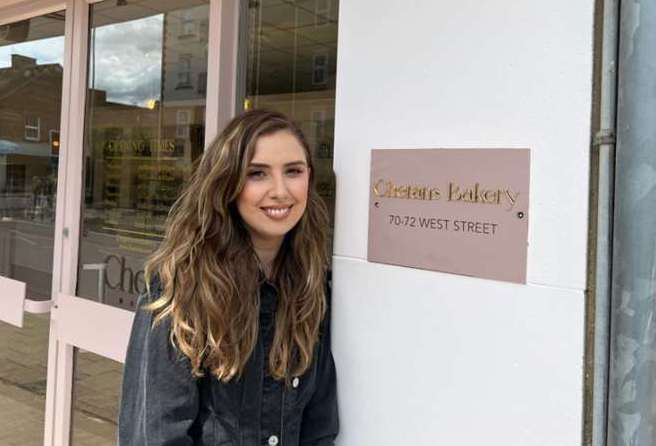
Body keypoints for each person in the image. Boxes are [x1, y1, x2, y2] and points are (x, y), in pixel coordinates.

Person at [118, 109, 338, 446]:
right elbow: (155, 435)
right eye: (257, 174)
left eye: (293, 171)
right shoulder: (183, 288)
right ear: (228, 183)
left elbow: (319, 428)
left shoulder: (312, 287)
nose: (280, 191)